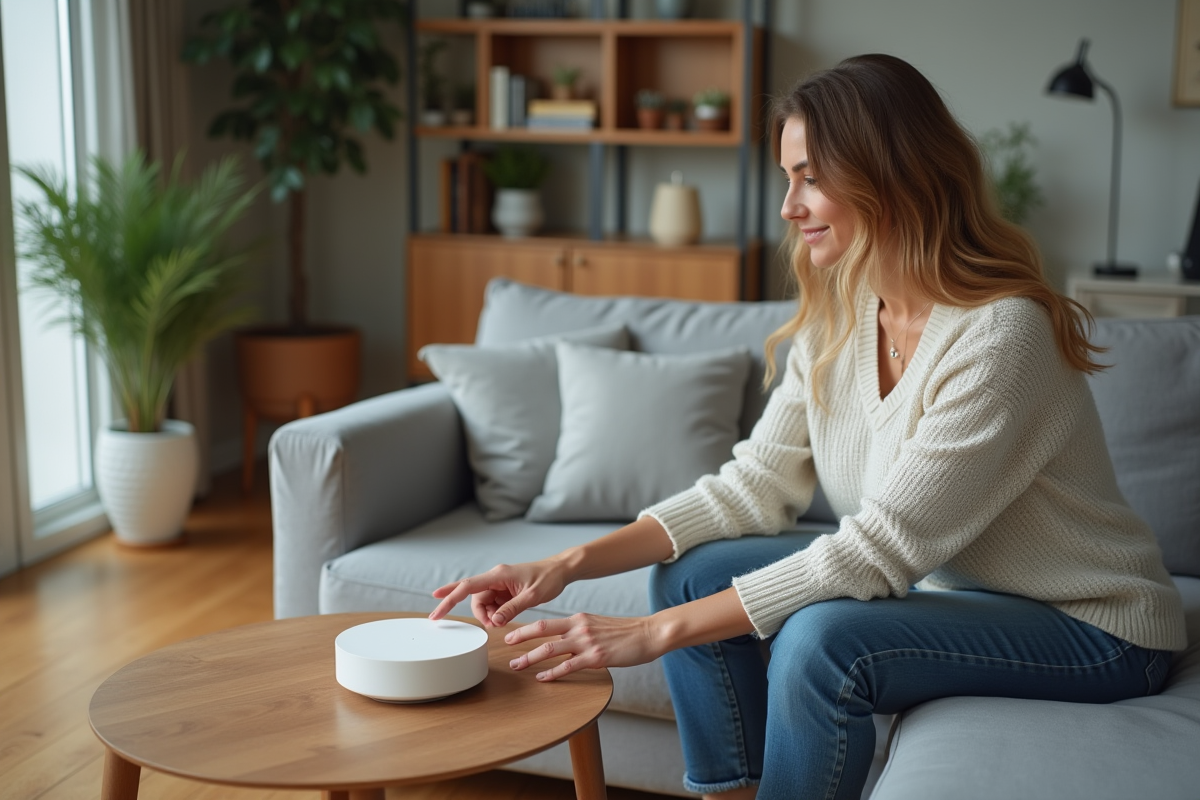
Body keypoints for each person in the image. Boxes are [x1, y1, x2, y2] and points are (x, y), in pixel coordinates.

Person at [429, 54, 1187, 800]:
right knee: (690, 570)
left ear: (890, 175)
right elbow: (752, 488)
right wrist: (565, 563)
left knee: (820, 643)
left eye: (810, 178)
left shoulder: (1000, 336)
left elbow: (878, 551)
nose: (789, 206)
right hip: (972, 590)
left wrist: (652, 636)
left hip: (1095, 629)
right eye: (788, 177)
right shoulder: (843, 314)